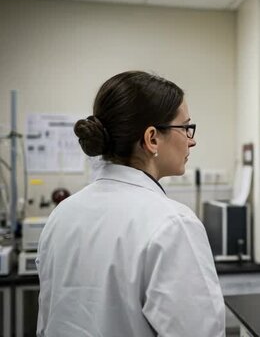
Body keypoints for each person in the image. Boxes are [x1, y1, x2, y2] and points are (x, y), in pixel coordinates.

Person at [36, 71, 225, 337]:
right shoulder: (172, 225)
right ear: (152, 138)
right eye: (185, 128)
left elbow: (48, 322)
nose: (191, 139)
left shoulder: (63, 214)